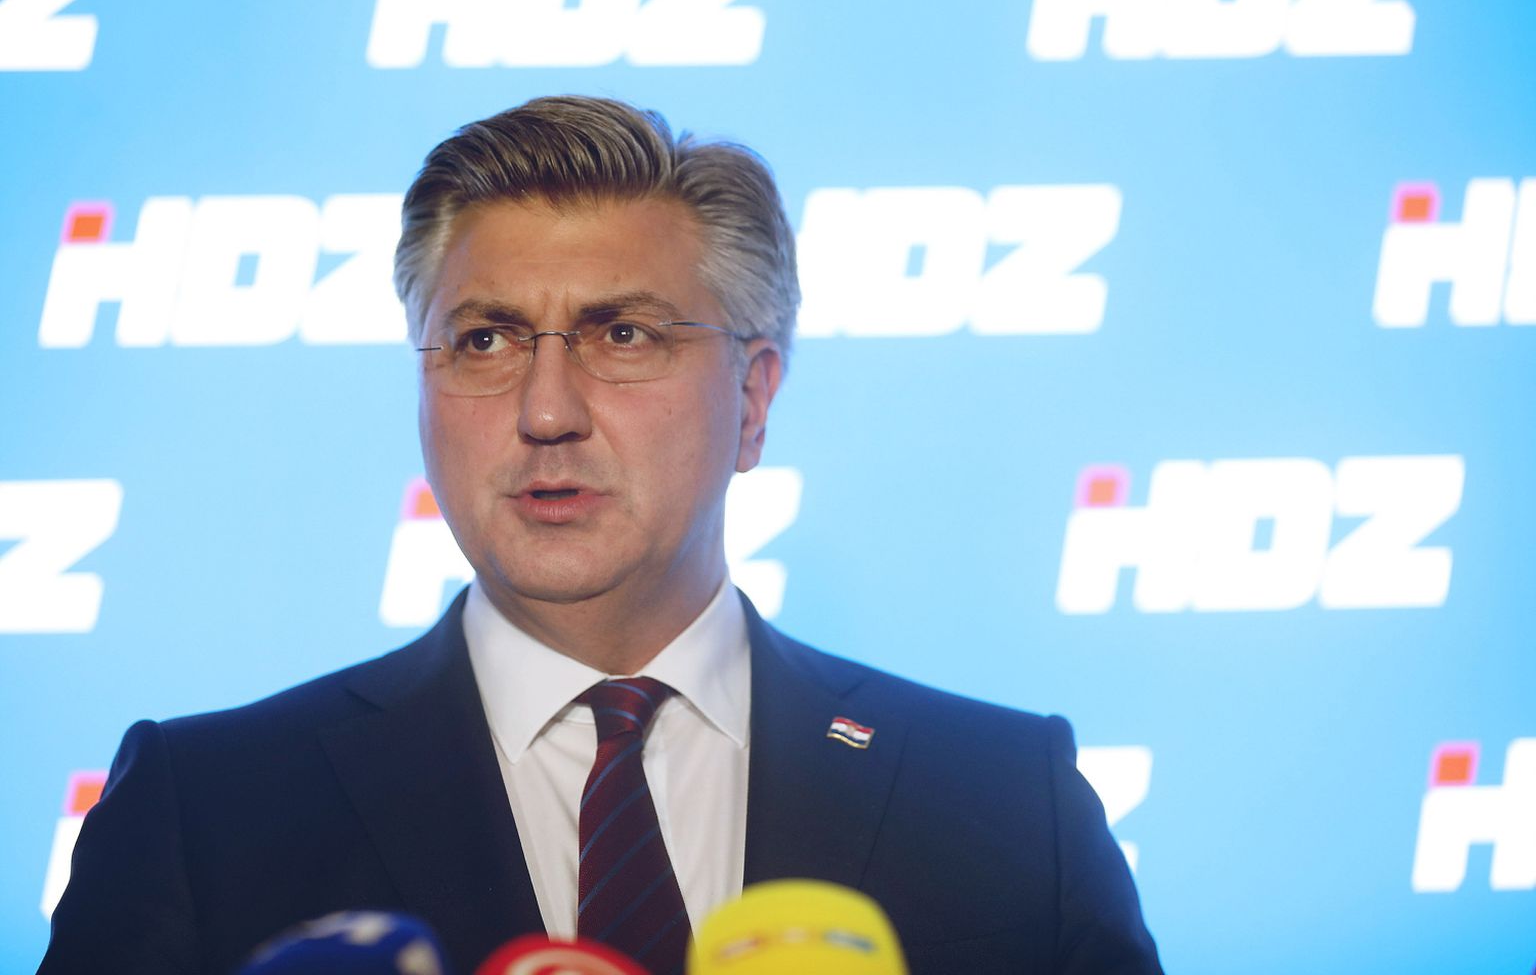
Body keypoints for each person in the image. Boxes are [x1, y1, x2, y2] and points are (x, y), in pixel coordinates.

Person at [39, 96, 1162, 975]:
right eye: (485, 340)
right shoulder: (207, 811)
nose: (545, 411)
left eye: (622, 334)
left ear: (753, 400)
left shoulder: (1003, 801)